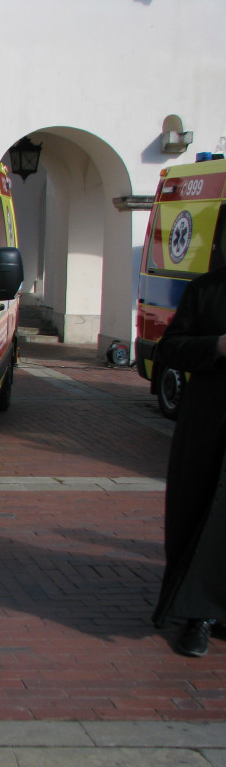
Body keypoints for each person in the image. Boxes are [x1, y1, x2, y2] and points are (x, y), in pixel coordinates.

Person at [152, 265, 226, 657]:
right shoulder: (206, 290)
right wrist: (216, 347)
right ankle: (199, 616)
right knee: (200, 513)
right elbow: (170, 348)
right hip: (209, 423)